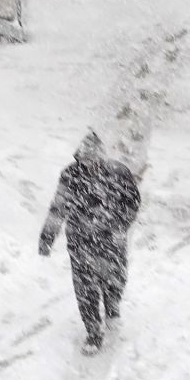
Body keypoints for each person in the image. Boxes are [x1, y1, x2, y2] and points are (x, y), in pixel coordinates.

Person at [39, 131, 141, 353]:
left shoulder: (118, 173)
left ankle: (112, 308)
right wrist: (47, 237)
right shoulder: (70, 176)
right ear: (80, 158)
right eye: (86, 162)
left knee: (115, 277)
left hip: (111, 238)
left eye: (94, 162)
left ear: (102, 159)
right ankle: (94, 333)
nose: (90, 167)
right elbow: (59, 208)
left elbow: (133, 201)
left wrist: (120, 224)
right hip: (80, 241)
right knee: (85, 288)